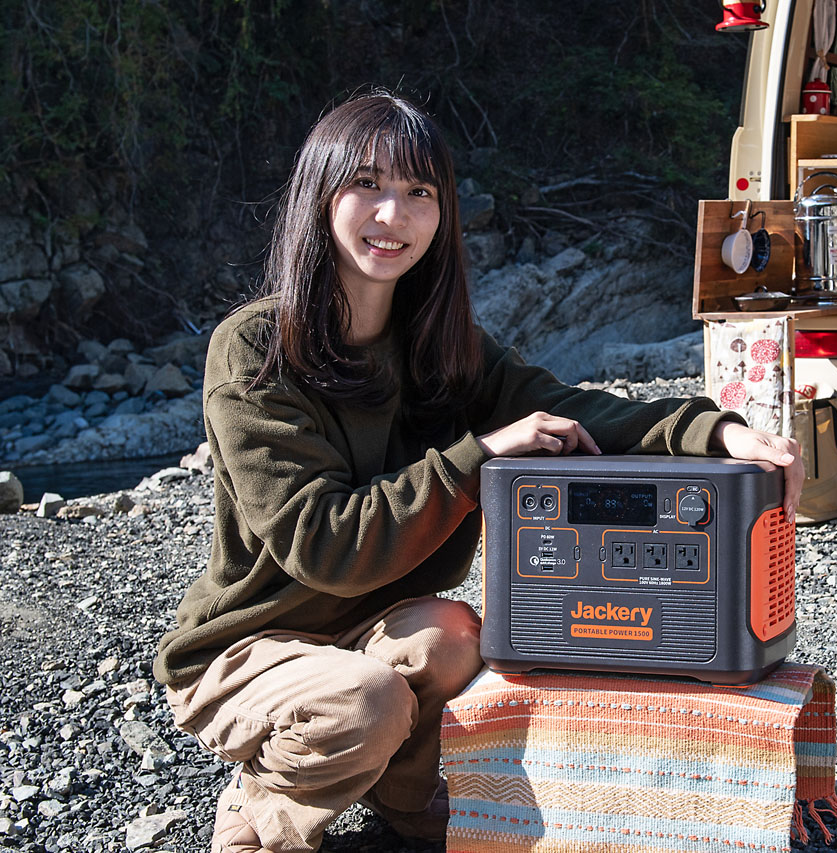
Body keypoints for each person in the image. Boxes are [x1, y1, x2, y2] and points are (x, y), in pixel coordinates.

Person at [153, 89, 803, 853]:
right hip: (246, 644)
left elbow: (569, 410)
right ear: (319, 194)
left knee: (458, 636)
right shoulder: (256, 349)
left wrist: (717, 431)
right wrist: (481, 456)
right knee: (362, 702)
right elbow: (324, 543)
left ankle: (404, 799)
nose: (393, 214)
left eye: (419, 192)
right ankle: (262, 812)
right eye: (366, 184)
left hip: (363, 627)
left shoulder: (444, 345)